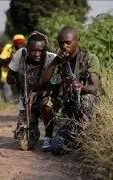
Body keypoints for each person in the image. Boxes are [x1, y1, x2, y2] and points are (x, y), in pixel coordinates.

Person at [40, 26, 101, 155]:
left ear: (77, 41)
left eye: (68, 42)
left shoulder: (89, 59)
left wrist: (81, 88)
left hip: (84, 105)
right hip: (68, 108)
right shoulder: (60, 61)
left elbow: (94, 88)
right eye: (61, 43)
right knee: (56, 149)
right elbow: (45, 80)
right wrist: (55, 61)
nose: (64, 46)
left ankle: (87, 135)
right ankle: (49, 137)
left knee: (87, 100)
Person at [7, 32, 58, 151]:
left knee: (47, 106)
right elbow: (9, 77)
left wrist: (39, 93)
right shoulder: (21, 54)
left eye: (40, 50)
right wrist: (17, 79)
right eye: (33, 50)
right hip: (26, 102)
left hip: (45, 97)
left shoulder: (52, 59)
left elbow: (57, 83)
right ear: (27, 48)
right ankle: (33, 131)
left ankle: (48, 138)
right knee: (25, 145)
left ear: (45, 49)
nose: (37, 54)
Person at [0, 34, 25, 103]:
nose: (19, 44)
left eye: (21, 42)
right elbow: (1, 60)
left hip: (20, 76)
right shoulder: (9, 48)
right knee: (7, 100)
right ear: (14, 42)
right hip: (7, 75)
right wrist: (10, 58)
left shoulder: (24, 50)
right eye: (17, 42)